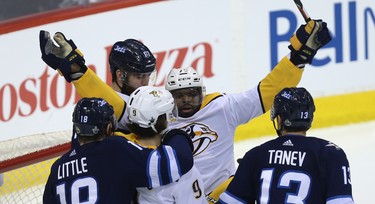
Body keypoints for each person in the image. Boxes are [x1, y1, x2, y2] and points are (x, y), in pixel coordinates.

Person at [39, 18, 332, 202]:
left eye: (193, 94)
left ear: (201, 93)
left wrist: (299, 56)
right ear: (168, 97)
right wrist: (75, 70)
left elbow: (267, 92)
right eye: (180, 95)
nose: (187, 100)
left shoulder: (223, 106)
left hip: (222, 197)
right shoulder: (157, 111)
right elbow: (116, 104)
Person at [43, 94, 203, 203]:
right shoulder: (113, 149)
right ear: (107, 128)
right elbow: (174, 163)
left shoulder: (57, 167)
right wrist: (174, 134)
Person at [218, 87, 354, 204]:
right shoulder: (331, 154)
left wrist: (249, 170)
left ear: (280, 119)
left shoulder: (256, 155)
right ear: (310, 117)